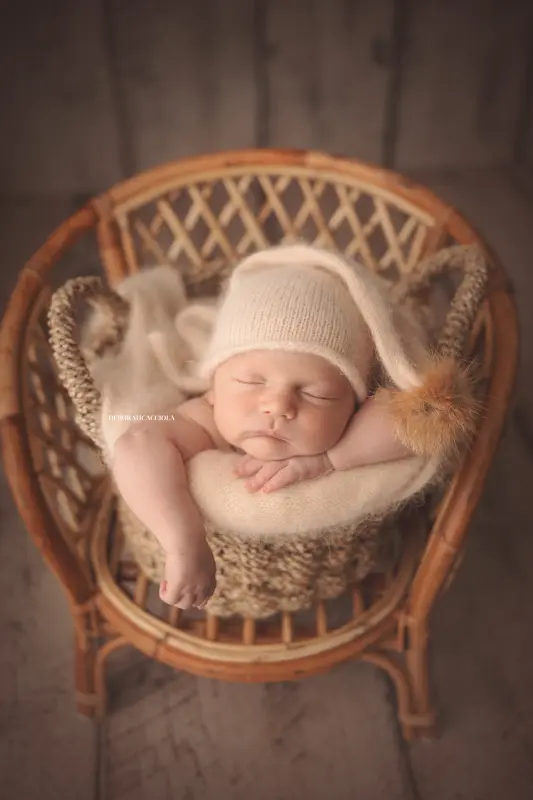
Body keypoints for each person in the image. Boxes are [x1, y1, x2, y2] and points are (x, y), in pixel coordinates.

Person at [88, 244, 475, 611]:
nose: (278, 405)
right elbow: (136, 444)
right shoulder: (204, 419)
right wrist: (182, 540)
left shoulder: (351, 428)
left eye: (316, 395)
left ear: (355, 405)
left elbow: (418, 416)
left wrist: (330, 458)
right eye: (251, 382)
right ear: (212, 389)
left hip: (319, 570)